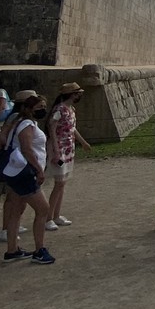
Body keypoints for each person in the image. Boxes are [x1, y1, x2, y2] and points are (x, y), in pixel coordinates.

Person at [0, 90, 56, 264]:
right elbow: (27, 148)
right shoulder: (27, 125)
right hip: (26, 173)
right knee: (43, 210)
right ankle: (39, 249)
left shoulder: (20, 122)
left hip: (17, 171)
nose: (43, 109)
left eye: (44, 106)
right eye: (39, 107)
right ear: (29, 109)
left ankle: (12, 250)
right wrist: (38, 169)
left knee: (16, 211)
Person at [44, 83, 92, 231]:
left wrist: (83, 142)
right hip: (59, 148)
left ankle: (56, 215)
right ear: (72, 94)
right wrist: (56, 150)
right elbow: (52, 128)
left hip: (68, 148)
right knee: (59, 184)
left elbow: (72, 128)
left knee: (62, 183)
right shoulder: (59, 109)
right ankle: (49, 217)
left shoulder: (70, 109)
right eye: (77, 94)